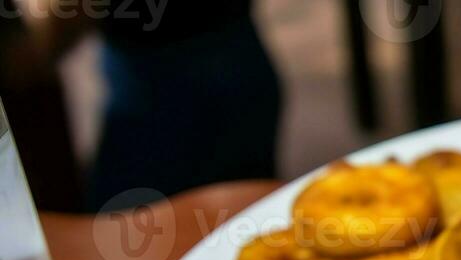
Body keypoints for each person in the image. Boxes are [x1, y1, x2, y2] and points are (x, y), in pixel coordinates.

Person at [1, 1, 281, 211]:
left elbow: (68, 17)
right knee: (247, 207)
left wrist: (33, 55)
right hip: (235, 52)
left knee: (127, 237)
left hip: (165, 83)